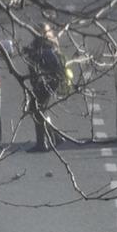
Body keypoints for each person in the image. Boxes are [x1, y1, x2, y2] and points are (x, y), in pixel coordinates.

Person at [26, 24, 66, 152]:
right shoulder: (48, 43)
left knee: (36, 108)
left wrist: (31, 53)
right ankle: (53, 137)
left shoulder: (45, 44)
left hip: (47, 81)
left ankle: (43, 142)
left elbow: (41, 60)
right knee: (38, 109)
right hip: (47, 81)